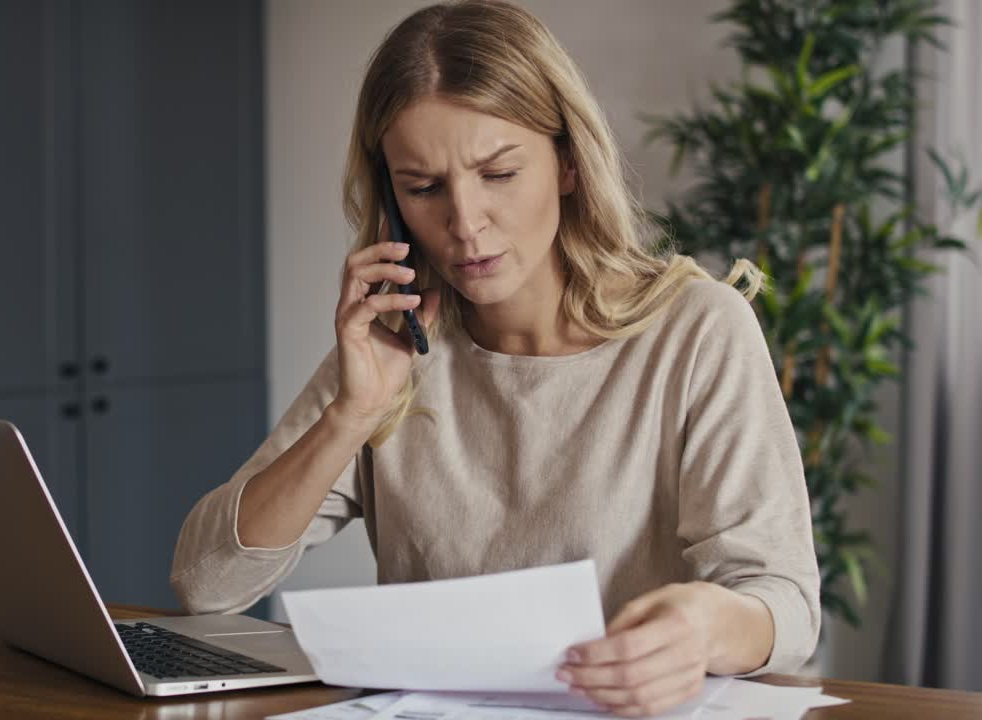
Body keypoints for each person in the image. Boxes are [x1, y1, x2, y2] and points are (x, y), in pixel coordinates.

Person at [172, 1, 820, 715]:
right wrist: (349, 415)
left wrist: (700, 629)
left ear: (568, 162)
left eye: (500, 173)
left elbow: (782, 604)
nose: (465, 223)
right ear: (390, 201)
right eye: (423, 188)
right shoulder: (395, 348)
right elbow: (208, 584)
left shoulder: (696, 333)